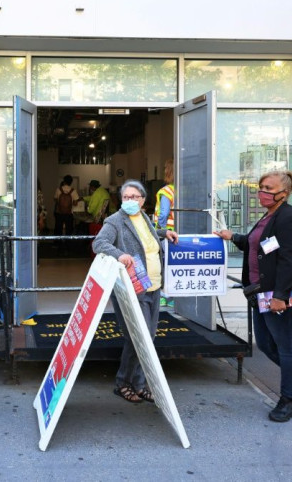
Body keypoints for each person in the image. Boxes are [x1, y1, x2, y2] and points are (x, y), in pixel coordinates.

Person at [214, 170, 292, 422]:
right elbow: (260, 245)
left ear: (284, 193)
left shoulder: (288, 218)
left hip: (284, 294)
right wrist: (233, 236)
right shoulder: (269, 216)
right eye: (261, 187)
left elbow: (291, 259)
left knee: (286, 346)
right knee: (267, 345)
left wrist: (280, 295)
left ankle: (288, 401)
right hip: (262, 293)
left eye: (269, 188)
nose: (263, 192)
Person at [92, 180, 179, 403]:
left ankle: (138, 384)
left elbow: (145, 240)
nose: (130, 201)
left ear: (143, 200)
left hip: (153, 285)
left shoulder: (144, 218)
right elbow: (99, 243)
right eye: (126, 197)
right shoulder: (115, 221)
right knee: (138, 336)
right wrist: (119, 254)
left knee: (146, 338)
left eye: (134, 197)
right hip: (132, 288)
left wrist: (163, 233)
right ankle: (123, 383)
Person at [154, 159, 175, 308]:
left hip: (166, 233)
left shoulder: (166, 191)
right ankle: (173, 295)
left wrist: (160, 229)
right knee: (173, 264)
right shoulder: (181, 189)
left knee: (162, 264)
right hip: (178, 233)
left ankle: (164, 295)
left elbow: (164, 213)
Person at [53, 174, 79, 244]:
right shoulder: (73, 191)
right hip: (69, 214)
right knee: (69, 230)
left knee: (59, 230)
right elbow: (76, 203)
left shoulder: (59, 189)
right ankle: (68, 245)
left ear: (64, 181)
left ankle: (58, 245)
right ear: (71, 182)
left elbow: (55, 200)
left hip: (59, 213)